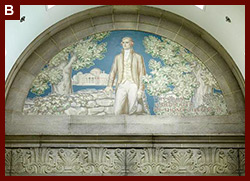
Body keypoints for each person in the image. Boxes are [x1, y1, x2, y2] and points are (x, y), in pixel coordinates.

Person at [105, 37, 147, 115]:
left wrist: (140, 89)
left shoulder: (138, 57)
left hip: (133, 84)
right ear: (121, 44)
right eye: (123, 42)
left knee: (132, 107)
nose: (125, 44)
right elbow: (113, 72)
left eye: (127, 42)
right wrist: (109, 85)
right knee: (117, 109)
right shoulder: (117, 57)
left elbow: (142, 73)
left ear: (132, 43)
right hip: (121, 83)